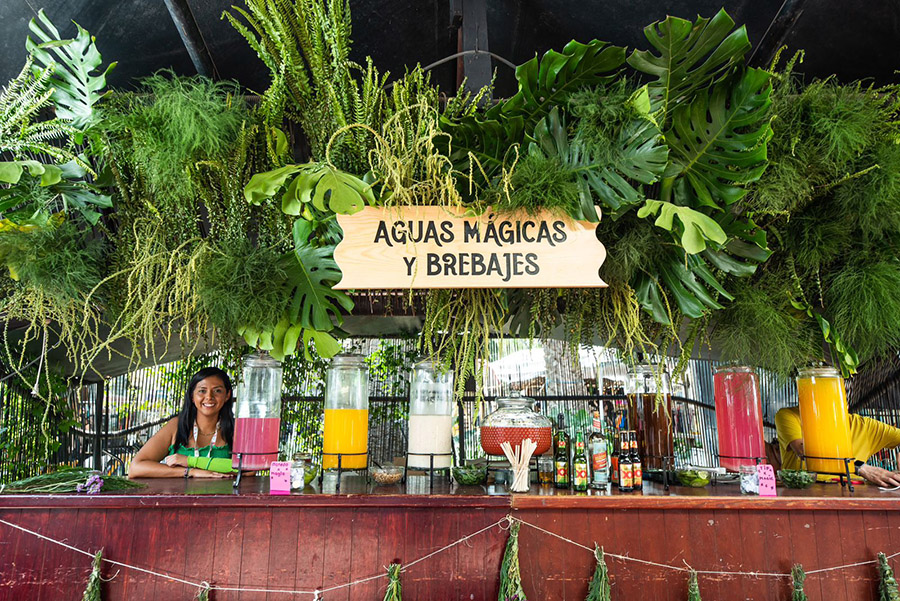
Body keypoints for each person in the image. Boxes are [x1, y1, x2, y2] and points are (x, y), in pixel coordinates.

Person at [128, 367, 237, 478]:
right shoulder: (175, 426)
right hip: (179, 495)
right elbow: (136, 468)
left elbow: (247, 469)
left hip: (222, 495)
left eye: (217, 391)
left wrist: (190, 461)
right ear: (192, 396)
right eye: (202, 391)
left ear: (227, 395)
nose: (209, 397)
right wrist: (190, 472)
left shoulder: (236, 429)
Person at [774, 406, 900, 487]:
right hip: (802, 491)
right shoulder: (789, 415)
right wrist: (859, 467)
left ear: (845, 403)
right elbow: (804, 451)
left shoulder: (864, 426)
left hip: (853, 493)